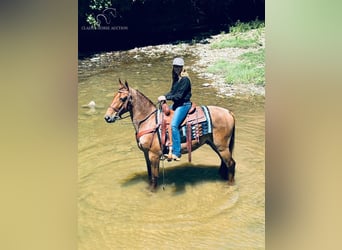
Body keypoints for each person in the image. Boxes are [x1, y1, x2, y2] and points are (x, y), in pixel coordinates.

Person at [158, 57, 192, 161]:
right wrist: (163, 96)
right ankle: (165, 147)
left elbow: (179, 96)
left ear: (182, 67)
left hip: (184, 105)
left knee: (173, 125)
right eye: (175, 66)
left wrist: (166, 98)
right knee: (161, 117)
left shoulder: (185, 80)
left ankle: (177, 152)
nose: (176, 68)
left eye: (178, 67)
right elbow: (172, 92)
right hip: (177, 104)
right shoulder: (176, 78)